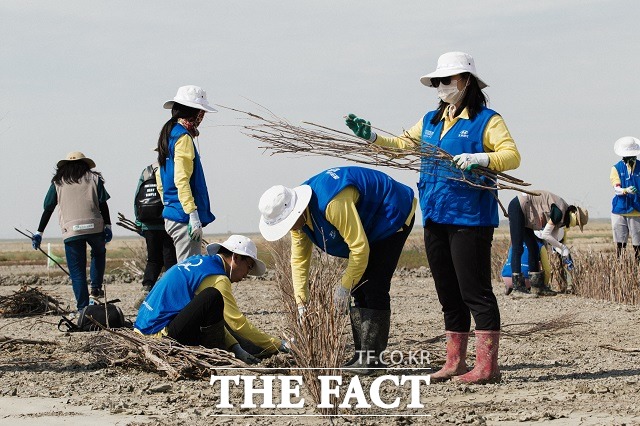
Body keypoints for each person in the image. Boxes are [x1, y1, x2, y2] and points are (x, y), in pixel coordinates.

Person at [345, 52, 520, 384]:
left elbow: (511, 155)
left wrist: (481, 158)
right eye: (437, 81)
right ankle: (455, 362)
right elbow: (400, 145)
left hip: (470, 218)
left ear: (466, 80)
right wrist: (370, 136)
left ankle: (487, 367)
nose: (440, 86)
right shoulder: (430, 121)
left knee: (475, 292)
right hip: (435, 216)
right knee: (448, 293)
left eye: (447, 80)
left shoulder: (487, 120)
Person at [258, 166, 416, 375]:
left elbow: (359, 249)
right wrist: (301, 304)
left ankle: (372, 361)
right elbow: (298, 261)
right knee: (359, 287)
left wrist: (343, 288)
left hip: (391, 212)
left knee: (374, 285)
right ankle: (362, 356)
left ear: (294, 211)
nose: (290, 229)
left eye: (288, 224)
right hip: (367, 225)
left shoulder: (331, 203)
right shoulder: (299, 222)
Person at [134, 235, 285, 363]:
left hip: (142, 329)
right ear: (236, 258)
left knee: (214, 304)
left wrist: (235, 347)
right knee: (212, 297)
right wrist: (278, 344)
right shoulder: (218, 278)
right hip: (160, 336)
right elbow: (238, 324)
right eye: (249, 266)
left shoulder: (199, 263)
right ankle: (216, 354)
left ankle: (234, 347)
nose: (247, 274)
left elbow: (212, 317)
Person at [32, 152, 112, 311]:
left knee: (77, 272)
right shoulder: (94, 178)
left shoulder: (58, 182)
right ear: (85, 164)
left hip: (71, 230)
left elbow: (48, 208)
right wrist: (108, 225)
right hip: (95, 226)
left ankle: (82, 308)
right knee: (98, 252)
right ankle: (95, 288)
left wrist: (39, 232)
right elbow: (103, 204)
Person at [156, 85, 216, 262]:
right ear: (195, 113)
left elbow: (160, 177)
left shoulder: (169, 134)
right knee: (188, 269)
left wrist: (169, 203)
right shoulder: (183, 138)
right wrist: (192, 213)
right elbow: (181, 178)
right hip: (183, 216)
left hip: (173, 212)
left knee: (186, 267)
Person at [508, 190, 588, 297]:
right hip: (519, 206)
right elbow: (546, 234)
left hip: (527, 212)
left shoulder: (561, 216)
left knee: (534, 248)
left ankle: (537, 287)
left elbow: (552, 240)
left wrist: (564, 252)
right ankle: (518, 288)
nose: (574, 225)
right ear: (574, 215)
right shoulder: (559, 212)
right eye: (577, 222)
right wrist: (562, 247)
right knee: (518, 247)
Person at [134, 162, 177, 293]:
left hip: (148, 222)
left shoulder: (147, 171)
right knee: (170, 258)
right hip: (167, 221)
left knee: (153, 259)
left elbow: (137, 196)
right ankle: (172, 288)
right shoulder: (174, 167)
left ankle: (147, 286)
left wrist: (139, 220)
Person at [610, 136, 640, 259]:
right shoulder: (616, 168)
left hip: (637, 211)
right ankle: (620, 266)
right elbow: (616, 188)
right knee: (620, 244)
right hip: (620, 210)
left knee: (638, 244)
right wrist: (625, 190)